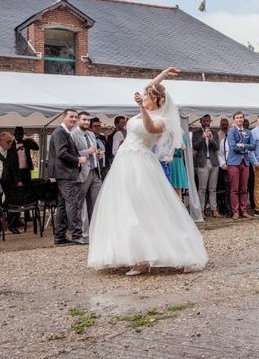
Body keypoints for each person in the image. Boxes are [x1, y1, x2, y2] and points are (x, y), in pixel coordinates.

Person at [88, 67, 208, 275]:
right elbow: (149, 86)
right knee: (123, 206)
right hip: (124, 162)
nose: (143, 96)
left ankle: (147, 257)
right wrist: (163, 74)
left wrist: (141, 109)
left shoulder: (163, 121)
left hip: (140, 162)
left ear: (155, 101)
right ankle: (130, 252)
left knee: (144, 206)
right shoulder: (144, 107)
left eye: (146, 96)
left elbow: (151, 129)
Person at [47, 109, 88, 245]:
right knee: (72, 203)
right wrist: (78, 159)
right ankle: (77, 234)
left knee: (63, 205)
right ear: (64, 117)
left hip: (64, 173)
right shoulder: (60, 132)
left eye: (76, 117)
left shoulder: (66, 132)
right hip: (64, 173)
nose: (74, 119)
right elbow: (61, 153)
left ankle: (59, 236)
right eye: (71, 117)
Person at [71, 111, 103, 229]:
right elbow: (71, 154)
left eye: (88, 120)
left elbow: (93, 151)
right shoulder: (73, 134)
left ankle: (94, 229)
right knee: (78, 203)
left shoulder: (91, 134)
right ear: (78, 120)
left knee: (95, 203)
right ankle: (77, 231)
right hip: (83, 173)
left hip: (95, 171)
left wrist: (98, 154)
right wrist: (87, 152)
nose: (86, 122)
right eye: (84, 120)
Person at [226, 111, 256, 220]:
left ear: (243, 119)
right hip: (234, 162)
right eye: (237, 118)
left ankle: (243, 211)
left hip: (245, 162)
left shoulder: (248, 132)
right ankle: (235, 211)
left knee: (244, 188)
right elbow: (233, 146)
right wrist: (245, 148)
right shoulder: (231, 131)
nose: (239, 119)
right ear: (234, 119)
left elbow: (253, 146)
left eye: (241, 117)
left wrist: (243, 145)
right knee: (234, 188)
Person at [192, 115, 220, 217]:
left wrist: (211, 139)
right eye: (204, 121)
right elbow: (195, 147)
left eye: (208, 121)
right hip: (202, 163)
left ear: (210, 121)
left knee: (213, 188)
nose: (206, 123)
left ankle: (214, 209)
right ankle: (201, 210)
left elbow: (217, 148)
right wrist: (202, 138)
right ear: (200, 121)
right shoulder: (196, 133)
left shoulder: (215, 133)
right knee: (202, 189)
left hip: (214, 163)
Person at [168, 133, 189, 201]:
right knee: (170, 187)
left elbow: (184, 147)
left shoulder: (181, 135)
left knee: (178, 188)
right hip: (171, 161)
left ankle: (180, 207)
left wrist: (178, 140)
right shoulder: (168, 135)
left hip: (178, 162)